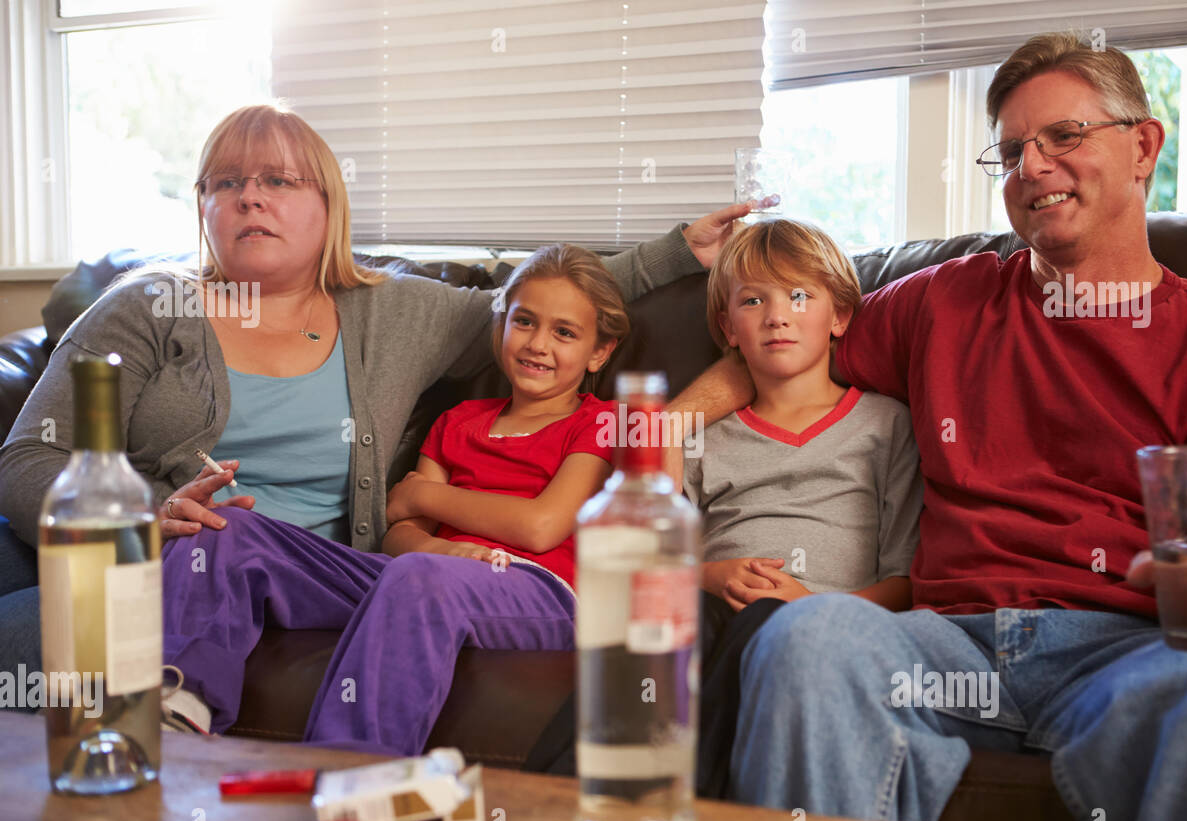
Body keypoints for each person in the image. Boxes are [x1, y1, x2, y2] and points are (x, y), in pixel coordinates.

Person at [680, 33, 1187, 821]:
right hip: (944, 641)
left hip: (1126, 655)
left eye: (1064, 137)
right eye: (1012, 151)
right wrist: (659, 424)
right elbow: (782, 340)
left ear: (1145, 145)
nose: (1033, 166)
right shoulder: (943, 301)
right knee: (806, 637)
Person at [0, 104, 752, 696]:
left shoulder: (392, 312)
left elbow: (537, 306)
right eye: (225, 183)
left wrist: (675, 253)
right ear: (202, 207)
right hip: (153, 564)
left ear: (329, 206)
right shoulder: (146, 307)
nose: (249, 197)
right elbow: (30, 456)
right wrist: (136, 517)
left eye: (277, 181)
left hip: (324, 578)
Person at [162, 244, 626, 752]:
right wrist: (439, 549)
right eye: (525, 322)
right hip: (425, 577)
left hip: (540, 588)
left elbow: (541, 526)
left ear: (599, 351)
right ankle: (178, 711)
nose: (539, 344)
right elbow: (398, 531)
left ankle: (350, 770)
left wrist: (425, 496)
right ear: (502, 325)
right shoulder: (460, 420)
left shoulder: (600, 422)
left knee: (419, 577)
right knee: (227, 531)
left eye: (564, 333)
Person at [683, 218, 923, 798]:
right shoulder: (704, 438)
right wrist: (712, 576)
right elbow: (652, 560)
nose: (776, 314)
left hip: (828, 624)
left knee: (773, 618)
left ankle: (695, 809)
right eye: (752, 300)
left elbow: (906, 582)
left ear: (839, 316)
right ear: (728, 328)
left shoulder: (888, 425)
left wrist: (815, 607)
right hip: (710, 611)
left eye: (798, 295)